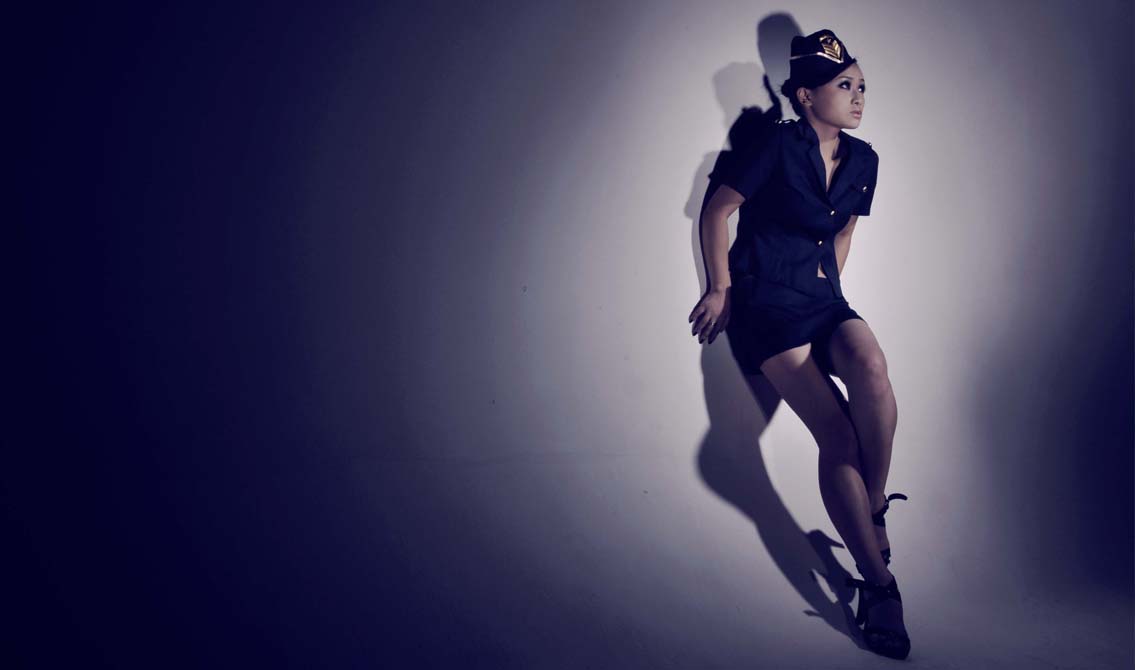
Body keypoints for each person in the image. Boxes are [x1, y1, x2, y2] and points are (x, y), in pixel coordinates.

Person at [688, 29, 911, 660]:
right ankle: (880, 585)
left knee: (872, 366)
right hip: (766, 303)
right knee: (837, 434)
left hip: (821, 299)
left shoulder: (864, 160)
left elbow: (843, 234)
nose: (859, 96)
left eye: (862, 86)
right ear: (807, 95)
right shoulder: (774, 144)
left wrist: (829, 284)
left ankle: (872, 501)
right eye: (845, 86)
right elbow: (717, 211)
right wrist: (721, 289)